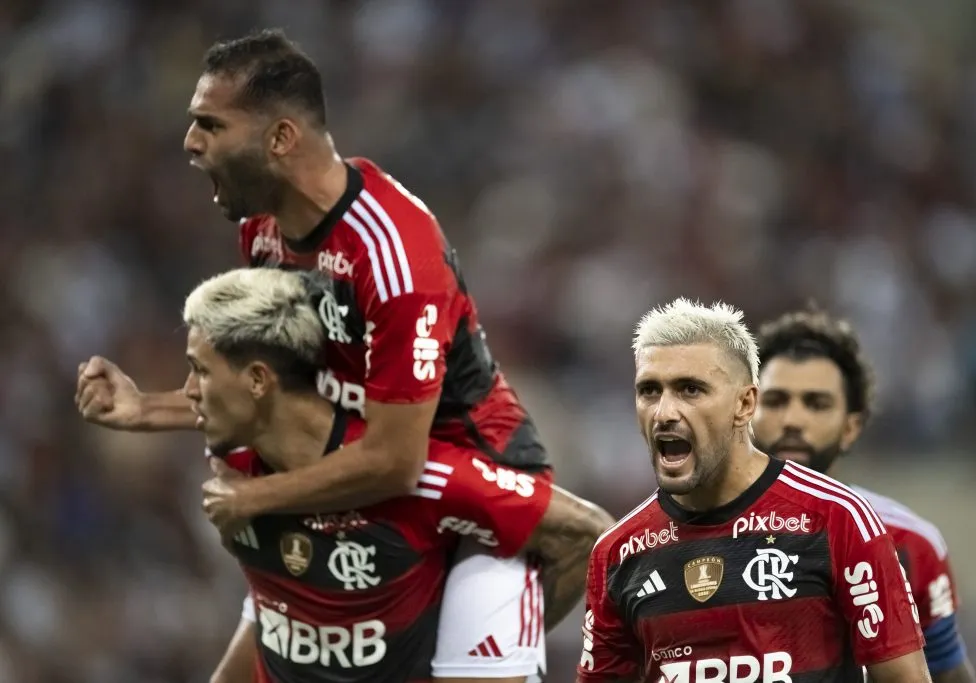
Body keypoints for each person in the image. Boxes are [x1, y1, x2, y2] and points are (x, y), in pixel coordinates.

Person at [75, 28, 613, 683]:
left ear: (279, 139)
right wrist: (146, 408)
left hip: (463, 487)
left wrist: (264, 494)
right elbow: (268, 392)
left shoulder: (393, 253)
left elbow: (398, 457)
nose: (190, 143)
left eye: (210, 125)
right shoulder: (264, 232)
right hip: (349, 478)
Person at [181, 266, 608, 682]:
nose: (187, 391)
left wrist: (471, 650)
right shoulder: (234, 466)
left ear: (258, 380)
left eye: (200, 370)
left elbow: (589, 536)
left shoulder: (418, 476)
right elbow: (273, 612)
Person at [576, 297, 932, 683]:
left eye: (690, 390)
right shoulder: (617, 554)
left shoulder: (835, 519)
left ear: (745, 404)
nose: (664, 412)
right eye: (649, 390)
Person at [751, 307, 976, 683]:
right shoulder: (681, 536)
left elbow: (947, 671)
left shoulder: (909, 543)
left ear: (851, 428)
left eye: (816, 403)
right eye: (775, 401)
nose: (792, 419)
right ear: (746, 408)